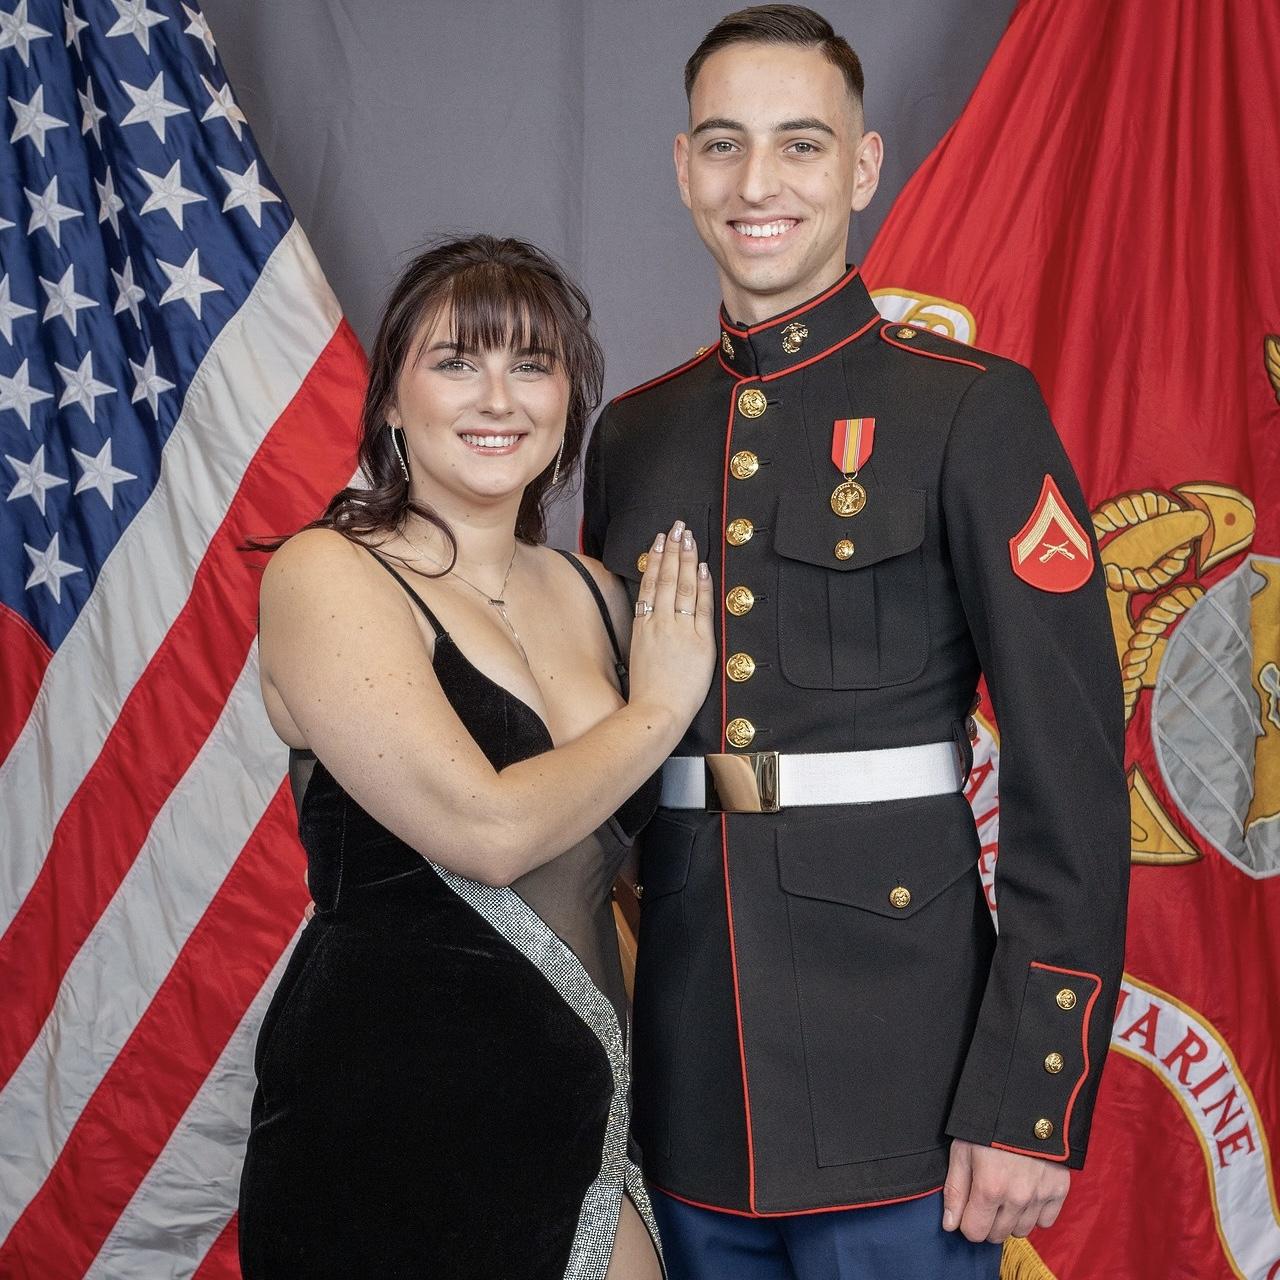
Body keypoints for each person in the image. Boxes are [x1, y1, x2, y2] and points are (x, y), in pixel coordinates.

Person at [581, 7, 1130, 1278]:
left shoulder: (968, 410)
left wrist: (1029, 1095)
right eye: (723, 145)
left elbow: (1068, 773)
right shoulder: (634, 436)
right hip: (688, 1074)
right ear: (682, 168)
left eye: (800, 144)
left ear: (862, 167)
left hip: (904, 1078)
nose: (756, 184)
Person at [237, 235, 715, 1279]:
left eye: (531, 365)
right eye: (456, 361)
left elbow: (639, 863)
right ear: (391, 402)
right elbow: (488, 831)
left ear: (566, 403)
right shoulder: (328, 573)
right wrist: (659, 705)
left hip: (580, 1108)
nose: (497, 397)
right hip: (380, 1119)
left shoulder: (599, 594)